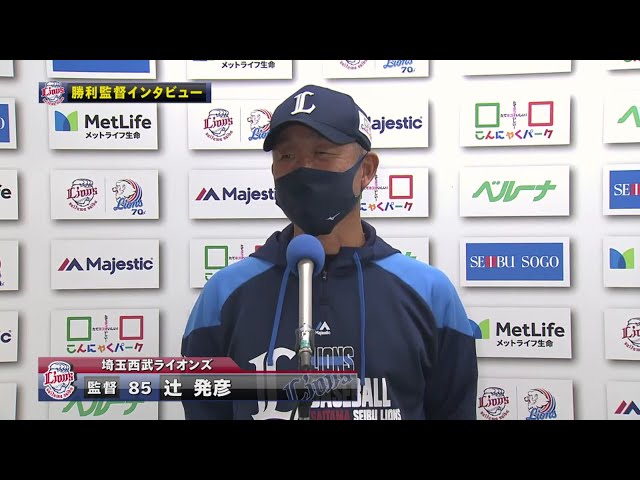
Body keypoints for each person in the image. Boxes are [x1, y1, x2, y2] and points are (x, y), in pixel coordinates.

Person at [181, 84, 478, 420]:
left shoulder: (429, 293)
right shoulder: (224, 294)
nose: (302, 168)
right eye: (287, 156)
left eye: (323, 153)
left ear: (366, 171)